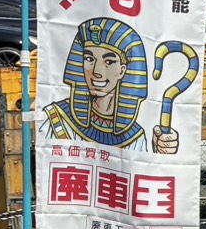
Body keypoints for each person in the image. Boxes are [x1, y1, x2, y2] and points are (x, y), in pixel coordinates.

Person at [43, 16, 177, 153]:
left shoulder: (136, 137)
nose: (97, 72)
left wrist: (159, 152)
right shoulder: (55, 118)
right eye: (89, 59)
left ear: (122, 70)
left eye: (109, 62)